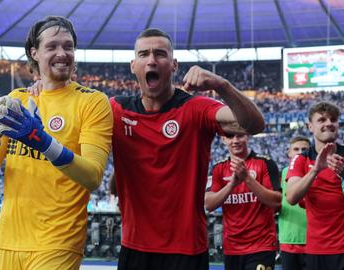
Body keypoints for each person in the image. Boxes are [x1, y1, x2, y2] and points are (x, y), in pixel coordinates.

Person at [110, 28, 265, 270]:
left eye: (160, 54)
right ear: (133, 65)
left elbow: (254, 124)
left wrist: (221, 84)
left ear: (173, 65)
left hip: (187, 250)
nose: (151, 60)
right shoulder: (116, 110)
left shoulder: (196, 108)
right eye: (144, 54)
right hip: (135, 248)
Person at [0, 16, 112, 270]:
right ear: (34, 52)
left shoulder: (93, 102)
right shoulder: (16, 99)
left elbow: (93, 176)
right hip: (8, 242)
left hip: (58, 242)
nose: (62, 53)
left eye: (68, 46)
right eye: (52, 46)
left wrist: (42, 141)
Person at [286, 101, 344, 270]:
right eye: (322, 120)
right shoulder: (301, 159)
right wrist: (315, 170)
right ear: (310, 127)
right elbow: (291, 197)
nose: (329, 123)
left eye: (333, 119)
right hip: (316, 249)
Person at [205, 133, 281, 270]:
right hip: (232, 248)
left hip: (261, 246)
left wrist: (247, 178)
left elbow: (276, 202)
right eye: (229, 136)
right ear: (223, 139)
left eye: (239, 136)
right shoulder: (218, 168)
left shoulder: (265, 163)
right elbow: (209, 204)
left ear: (248, 136)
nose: (235, 141)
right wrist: (231, 185)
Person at [278, 136, 310, 270]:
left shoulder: (316, 171)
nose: (300, 152)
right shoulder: (283, 173)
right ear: (289, 152)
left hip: (313, 240)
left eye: (304, 149)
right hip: (289, 239)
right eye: (296, 149)